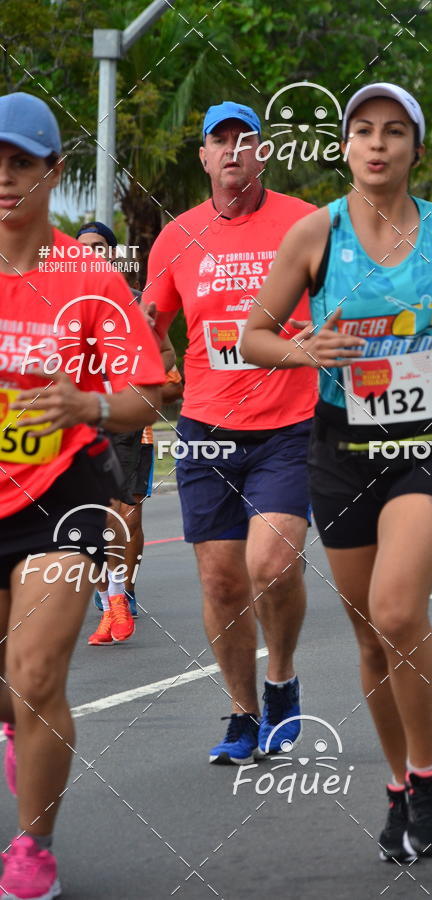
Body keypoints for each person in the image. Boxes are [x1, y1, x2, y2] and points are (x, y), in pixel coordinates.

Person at [242, 83, 432, 862]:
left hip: (431, 440)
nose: (378, 144)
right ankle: (399, 783)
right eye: (363, 131)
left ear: (416, 149)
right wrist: (303, 349)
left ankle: (428, 776)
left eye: (394, 132)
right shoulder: (313, 235)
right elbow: (253, 335)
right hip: (342, 445)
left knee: (396, 611)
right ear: (346, 147)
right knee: (368, 638)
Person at [0, 92, 165, 899]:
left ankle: (33, 850)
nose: (4, 180)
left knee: (34, 674)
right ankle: (13, 726)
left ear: (52, 172)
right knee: (6, 686)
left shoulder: (86, 273)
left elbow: (148, 393)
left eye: (21, 164)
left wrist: (87, 405)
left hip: (59, 494)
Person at [144, 101, 317, 765]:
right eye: (221, 142)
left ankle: (282, 683)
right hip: (206, 428)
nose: (234, 152)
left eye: (246, 140)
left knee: (272, 566)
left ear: (264, 153)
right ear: (205, 158)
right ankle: (243, 714)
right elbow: (147, 330)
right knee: (221, 582)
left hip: (290, 424)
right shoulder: (176, 237)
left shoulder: (304, 222)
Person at [75, 222, 177, 645]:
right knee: (82, 517)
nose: (91, 254)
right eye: (83, 248)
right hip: (73, 419)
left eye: (100, 247)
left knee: (116, 509)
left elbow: (167, 353)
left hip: (120, 417)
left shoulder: (133, 301)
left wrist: (145, 371)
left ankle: (118, 598)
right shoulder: (57, 298)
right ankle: (108, 593)